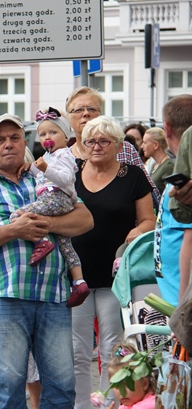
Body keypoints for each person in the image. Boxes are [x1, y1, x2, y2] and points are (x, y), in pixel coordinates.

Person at [0, 113, 94, 409]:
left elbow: (85, 220)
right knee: (9, 386)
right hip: (5, 296)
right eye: (0, 140)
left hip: (53, 295)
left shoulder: (47, 176)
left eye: (14, 138)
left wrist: (46, 223)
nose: (8, 144)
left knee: (62, 385)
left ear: (24, 143)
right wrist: (13, 230)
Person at [71, 116, 156, 409]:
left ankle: (111, 403)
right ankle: (81, 404)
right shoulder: (72, 172)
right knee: (77, 349)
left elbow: (148, 220)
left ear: (119, 145)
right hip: (76, 275)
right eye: (90, 141)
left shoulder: (132, 175)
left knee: (112, 347)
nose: (96, 146)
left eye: (104, 141)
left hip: (115, 276)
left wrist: (138, 231)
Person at [10, 108, 89, 307]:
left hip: (55, 197)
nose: (47, 137)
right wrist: (32, 167)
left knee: (18, 215)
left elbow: (65, 179)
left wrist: (45, 168)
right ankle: (79, 282)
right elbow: (42, 174)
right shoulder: (50, 156)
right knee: (65, 244)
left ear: (66, 136)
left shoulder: (64, 155)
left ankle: (42, 241)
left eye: (53, 132)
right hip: (56, 198)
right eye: (43, 134)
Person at [65, 86, 160, 207]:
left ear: (100, 114)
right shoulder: (63, 157)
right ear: (68, 118)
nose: (86, 113)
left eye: (91, 109)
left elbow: (150, 193)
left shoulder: (125, 149)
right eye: (78, 110)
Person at [154, 95, 192, 306]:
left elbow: (190, 239)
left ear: (166, 128)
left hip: (182, 300)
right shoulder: (179, 174)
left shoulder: (185, 178)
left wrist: (184, 308)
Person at [106, 344, 156, 409]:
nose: (122, 392)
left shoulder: (148, 405)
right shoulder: (126, 406)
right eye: (117, 386)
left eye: (128, 385)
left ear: (144, 384)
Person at [141, 127, 174, 197]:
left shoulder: (168, 166)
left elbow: (170, 195)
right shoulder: (154, 165)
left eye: (145, 143)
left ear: (156, 145)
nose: (142, 146)